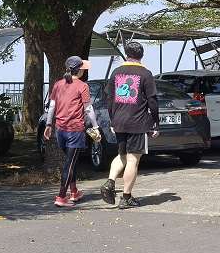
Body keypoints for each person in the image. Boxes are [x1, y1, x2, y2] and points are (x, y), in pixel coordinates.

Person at [102, 40, 159, 209]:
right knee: (133, 159)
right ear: (141, 55)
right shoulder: (145, 74)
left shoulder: (116, 72)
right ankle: (126, 197)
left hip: (119, 121)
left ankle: (110, 182)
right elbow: (152, 100)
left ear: (126, 54)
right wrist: (155, 121)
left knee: (122, 155)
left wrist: (113, 119)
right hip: (137, 122)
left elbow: (109, 98)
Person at [43, 55, 99, 207]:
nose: (84, 70)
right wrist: (95, 126)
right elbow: (88, 108)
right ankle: (61, 197)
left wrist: (48, 124)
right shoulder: (82, 86)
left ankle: (74, 192)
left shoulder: (58, 84)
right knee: (69, 164)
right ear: (79, 70)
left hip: (60, 130)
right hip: (75, 130)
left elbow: (52, 106)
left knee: (71, 161)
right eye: (82, 68)